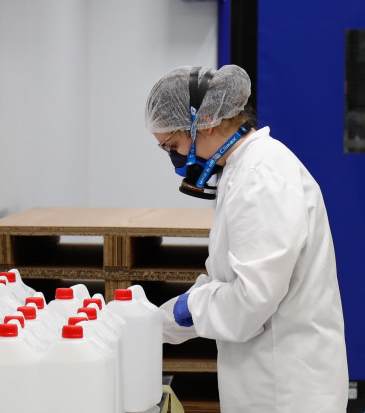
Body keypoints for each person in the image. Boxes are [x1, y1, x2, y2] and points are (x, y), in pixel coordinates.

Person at [145, 65, 348, 412]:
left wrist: (184, 310)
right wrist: (154, 324)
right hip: (267, 380)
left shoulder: (261, 176)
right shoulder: (241, 170)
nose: (176, 158)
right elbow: (227, 282)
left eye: (173, 145)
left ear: (204, 122)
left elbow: (248, 301)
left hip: (286, 389)